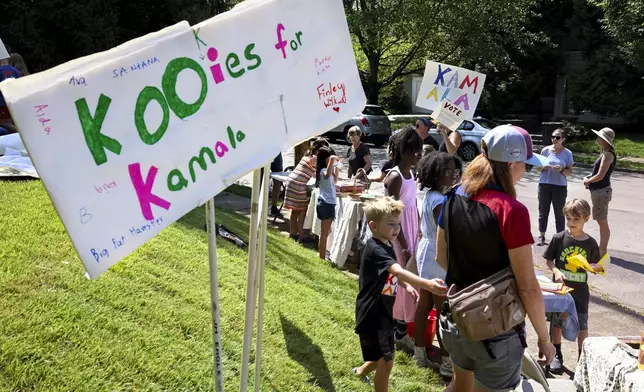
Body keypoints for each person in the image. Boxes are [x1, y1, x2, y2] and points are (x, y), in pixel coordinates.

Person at [436, 125, 555, 391]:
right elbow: (527, 286)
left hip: (455, 318)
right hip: (494, 333)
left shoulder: (453, 195)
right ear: (512, 163)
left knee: (459, 386)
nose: (526, 171)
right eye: (527, 165)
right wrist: (545, 339)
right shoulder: (511, 211)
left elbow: (442, 258)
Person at [353, 196, 448, 391]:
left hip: (384, 312)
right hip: (372, 313)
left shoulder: (387, 243)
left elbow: (392, 274)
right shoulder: (376, 249)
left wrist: (406, 286)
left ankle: (360, 372)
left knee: (387, 356)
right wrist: (427, 284)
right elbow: (396, 270)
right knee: (386, 362)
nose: (397, 229)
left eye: (398, 224)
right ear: (374, 226)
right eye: (391, 224)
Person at [412, 152, 462, 376]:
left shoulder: (433, 194)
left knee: (424, 305)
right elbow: (449, 229)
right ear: (435, 173)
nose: (453, 176)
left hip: (427, 251)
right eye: (447, 172)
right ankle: (445, 361)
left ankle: (419, 353)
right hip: (436, 255)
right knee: (443, 311)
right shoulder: (439, 200)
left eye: (455, 171)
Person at [543, 198, 600, 374]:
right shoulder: (559, 238)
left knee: (582, 325)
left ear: (586, 218)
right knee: (557, 323)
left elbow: (596, 265)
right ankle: (557, 354)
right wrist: (556, 271)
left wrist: (596, 268)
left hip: (580, 293)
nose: (571, 223)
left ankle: (582, 360)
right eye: (568, 218)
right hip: (560, 292)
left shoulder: (590, 243)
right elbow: (548, 259)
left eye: (576, 219)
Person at [383, 125, 424, 353]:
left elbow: (412, 204)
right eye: (412, 150)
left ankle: (399, 327)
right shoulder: (395, 177)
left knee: (407, 283)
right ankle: (395, 329)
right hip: (397, 237)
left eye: (419, 150)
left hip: (410, 232)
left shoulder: (411, 174)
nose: (417, 155)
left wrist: (418, 229)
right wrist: (404, 244)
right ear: (401, 150)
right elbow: (391, 215)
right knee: (396, 282)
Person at [284, 138, 329, 242]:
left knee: (294, 211)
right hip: (299, 185)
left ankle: (293, 233)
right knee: (302, 211)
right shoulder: (316, 159)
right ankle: (302, 236)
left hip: (291, 182)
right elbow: (318, 174)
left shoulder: (307, 154)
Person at [536, 129, 574, 245]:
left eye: (557, 137)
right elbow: (538, 168)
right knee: (543, 211)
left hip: (559, 187)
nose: (554, 139)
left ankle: (560, 238)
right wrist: (544, 167)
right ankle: (541, 236)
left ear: (563, 139)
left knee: (559, 213)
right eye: (553, 137)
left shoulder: (567, 153)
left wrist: (561, 169)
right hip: (544, 185)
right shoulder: (545, 150)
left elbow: (569, 172)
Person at [583, 128, 616, 257]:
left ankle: (602, 251)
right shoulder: (606, 153)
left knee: (602, 221)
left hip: (601, 191)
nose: (597, 139)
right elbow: (597, 174)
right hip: (600, 190)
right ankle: (602, 249)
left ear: (605, 140)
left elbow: (600, 175)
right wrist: (589, 178)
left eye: (599, 137)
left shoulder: (608, 154)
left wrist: (588, 181)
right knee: (601, 219)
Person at [315, 146, 339, 260]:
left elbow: (335, 180)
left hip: (328, 203)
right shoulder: (323, 171)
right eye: (329, 159)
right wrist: (333, 159)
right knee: (324, 232)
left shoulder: (327, 170)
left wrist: (337, 167)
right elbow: (328, 174)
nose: (332, 161)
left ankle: (322, 251)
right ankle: (322, 256)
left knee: (327, 230)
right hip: (326, 203)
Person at [0, 41, 21, 130]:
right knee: (8, 122)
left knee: (4, 123)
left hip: (1, 103)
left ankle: (19, 133)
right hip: (12, 101)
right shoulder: (15, 71)